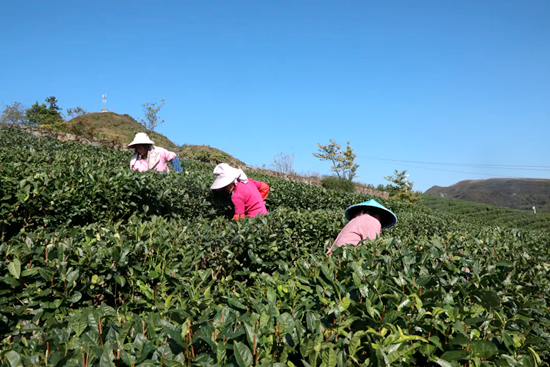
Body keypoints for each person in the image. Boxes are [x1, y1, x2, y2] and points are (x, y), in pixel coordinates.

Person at [326, 199, 397, 255]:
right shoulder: (372, 221)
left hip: (334, 257)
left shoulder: (355, 220)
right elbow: (373, 246)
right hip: (346, 258)